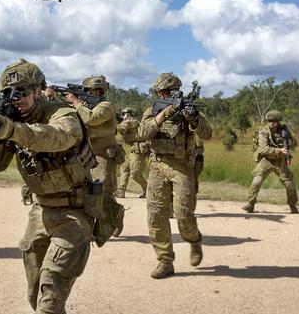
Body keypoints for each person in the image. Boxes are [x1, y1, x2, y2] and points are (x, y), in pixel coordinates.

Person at [0, 59, 96, 314]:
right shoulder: (14, 120)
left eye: (22, 92)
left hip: (75, 211)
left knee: (51, 286)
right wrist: (0, 134)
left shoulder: (63, 114)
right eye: (9, 94)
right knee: (37, 294)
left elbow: (58, 139)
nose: (15, 98)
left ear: (39, 90)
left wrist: (14, 130)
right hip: (42, 210)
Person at [138, 72, 212, 279]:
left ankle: (195, 240)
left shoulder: (188, 109)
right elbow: (144, 133)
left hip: (182, 168)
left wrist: (194, 119)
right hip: (158, 166)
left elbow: (207, 134)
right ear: (158, 93)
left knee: (183, 215)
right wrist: (164, 114)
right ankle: (165, 260)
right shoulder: (152, 111)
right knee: (156, 215)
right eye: (164, 93)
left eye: (171, 92)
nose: (167, 95)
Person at [63, 75, 125, 237]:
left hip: (103, 156)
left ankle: (116, 215)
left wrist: (76, 102)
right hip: (85, 154)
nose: (93, 92)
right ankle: (90, 228)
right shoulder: (84, 106)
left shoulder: (106, 106)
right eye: (88, 91)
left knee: (103, 192)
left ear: (100, 91)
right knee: (85, 192)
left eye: (92, 90)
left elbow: (91, 119)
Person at [242, 110, 298, 214]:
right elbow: (263, 149)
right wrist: (279, 150)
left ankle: (292, 205)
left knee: (289, 184)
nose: (272, 123)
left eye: (275, 121)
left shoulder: (284, 131)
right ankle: (250, 203)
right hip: (267, 160)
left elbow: (294, 144)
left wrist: (289, 142)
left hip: (280, 161)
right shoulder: (264, 131)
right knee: (256, 181)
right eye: (270, 121)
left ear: (279, 121)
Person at [115, 107, 148, 198]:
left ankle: (148, 189)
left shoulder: (132, 121)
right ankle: (121, 191)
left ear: (130, 114)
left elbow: (122, 128)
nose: (122, 116)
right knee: (124, 168)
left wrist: (113, 122)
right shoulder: (129, 121)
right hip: (131, 151)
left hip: (137, 152)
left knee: (135, 174)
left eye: (123, 114)